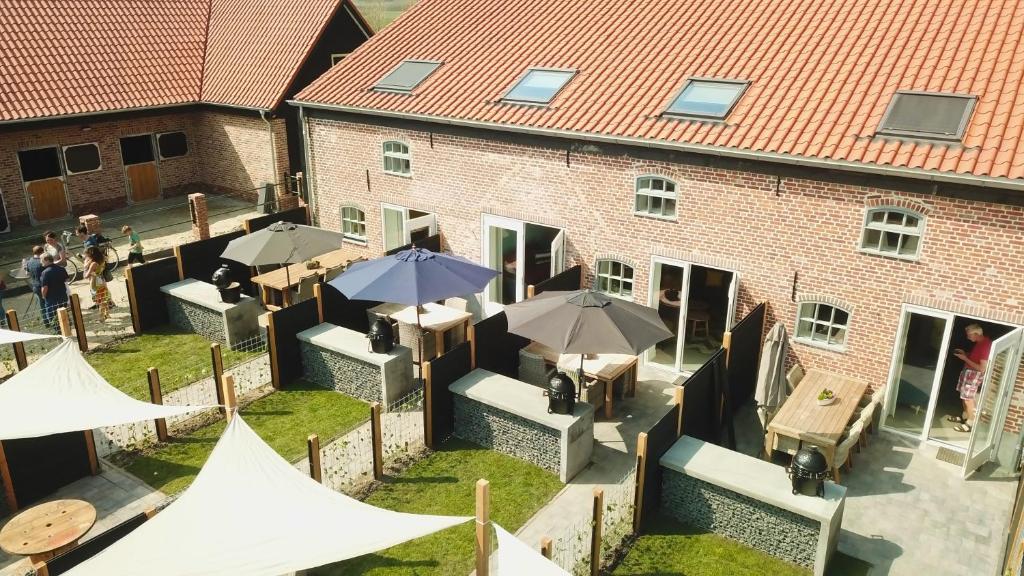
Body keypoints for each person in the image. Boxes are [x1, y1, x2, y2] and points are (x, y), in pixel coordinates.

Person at [949, 323, 992, 433]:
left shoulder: (985, 345)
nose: (967, 337)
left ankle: (970, 424)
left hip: (974, 375)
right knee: (964, 397)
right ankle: (965, 417)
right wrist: (966, 354)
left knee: (968, 399)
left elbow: (982, 368)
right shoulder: (980, 343)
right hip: (968, 373)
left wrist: (964, 359)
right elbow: (976, 358)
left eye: (969, 335)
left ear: (977, 334)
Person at [39, 255, 69, 331]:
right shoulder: (61, 269)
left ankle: (58, 332)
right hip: (62, 296)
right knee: (63, 315)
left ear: (46, 260)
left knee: (53, 317)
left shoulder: (45, 273)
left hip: (51, 299)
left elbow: (44, 287)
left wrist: (43, 296)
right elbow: (66, 280)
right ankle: (66, 330)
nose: (40, 262)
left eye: (41, 260)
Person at [84, 246, 110, 322]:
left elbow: (86, 276)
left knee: (100, 301)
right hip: (102, 280)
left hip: (95, 283)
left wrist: (86, 267)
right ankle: (107, 314)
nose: (87, 256)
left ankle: (101, 318)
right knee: (104, 297)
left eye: (88, 255)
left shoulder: (93, 264)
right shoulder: (103, 259)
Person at [25, 245, 45, 316]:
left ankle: (45, 320)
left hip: (35, 286)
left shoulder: (29, 261)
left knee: (42, 304)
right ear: (42, 252)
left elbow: (27, 273)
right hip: (44, 286)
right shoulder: (42, 262)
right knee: (48, 303)